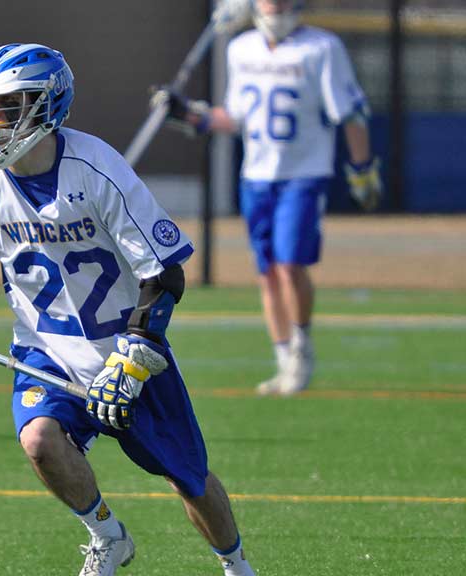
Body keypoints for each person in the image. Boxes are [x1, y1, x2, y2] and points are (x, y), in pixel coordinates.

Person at [0, 43, 256, 576]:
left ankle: (237, 566)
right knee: (38, 439)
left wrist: (134, 358)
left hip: (120, 346)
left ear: (46, 105)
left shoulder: (96, 168)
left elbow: (164, 272)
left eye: (8, 106)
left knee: (188, 477)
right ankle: (108, 536)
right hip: (44, 349)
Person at [161, 0, 382, 396]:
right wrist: (191, 115)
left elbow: (349, 113)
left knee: (289, 264)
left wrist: (362, 169)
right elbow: (237, 116)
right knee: (266, 270)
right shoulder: (241, 48)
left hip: (303, 173)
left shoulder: (322, 48)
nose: (275, 5)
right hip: (256, 176)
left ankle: (301, 347)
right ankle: (283, 359)